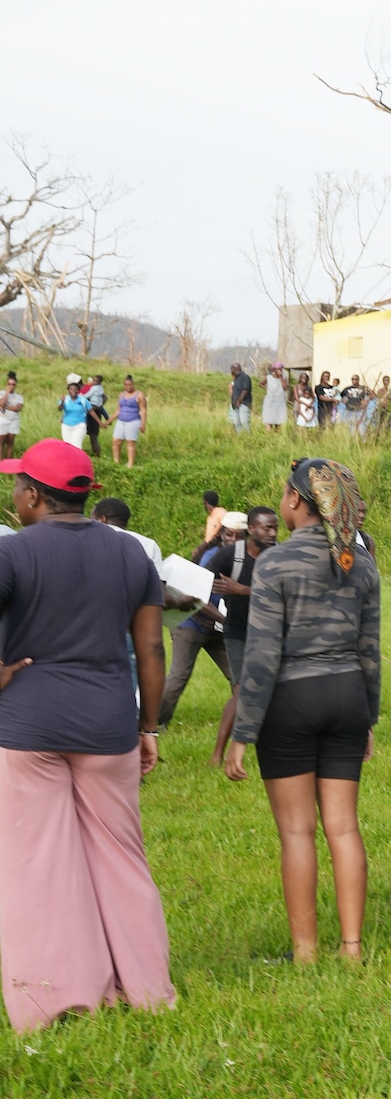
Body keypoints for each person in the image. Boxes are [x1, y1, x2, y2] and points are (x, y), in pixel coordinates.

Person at [0, 438, 175, 1034]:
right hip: (108, 723)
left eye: (16, 484)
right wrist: (147, 725)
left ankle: (55, 999)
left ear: (31, 497)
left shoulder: (13, 553)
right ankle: (148, 988)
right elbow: (151, 647)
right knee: (121, 856)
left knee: (37, 862)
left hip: (28, 724)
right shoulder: (131, 555)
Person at [221, 459, 381, 963]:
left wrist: (242, 732)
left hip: (291, 700)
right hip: (348, 696)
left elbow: (263, 656)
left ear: (294, 501)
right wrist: (367, 720)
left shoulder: (274, 563)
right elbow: (369, 651)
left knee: (296, 831)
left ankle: (306, 951)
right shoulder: (362, 563)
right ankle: (352, 948)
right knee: (344, 826)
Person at [210, 507, 280, 762]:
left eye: (275, 528)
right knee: (241, 692)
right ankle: (219, 754)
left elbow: (284, 594)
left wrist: (240, 590)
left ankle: (273, 748)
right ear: (251, 530)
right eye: (266, 528)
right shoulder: (231, 554)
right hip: (237, 632)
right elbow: (200, 581)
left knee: (274, 691)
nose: (272, 533)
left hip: (271, 633)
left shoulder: (279, 558)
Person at [160, 516, 234, 729]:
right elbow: (198, 599)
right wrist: (226, 621)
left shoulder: (239, 555)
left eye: (240, 535)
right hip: (190, 623)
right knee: (180, 675)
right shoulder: (212, 557)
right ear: (221, 534)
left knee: (238, 673)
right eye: (230, 534)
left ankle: (249, 719)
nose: (234, 539)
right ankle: (155, 723)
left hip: (216, 627)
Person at [110, 376, 146, 467]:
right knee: (116, 441)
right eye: (126, 385)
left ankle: (130, 463)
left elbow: (143, 410)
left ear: (133, 384)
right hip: (121, 420)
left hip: (133, 420)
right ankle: (116, 462)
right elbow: (118, 410)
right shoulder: (121, 394)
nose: (128, 386)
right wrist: (109, 420)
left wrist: (143, 423)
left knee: (130, 442)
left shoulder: (139, 394)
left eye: (130, 384)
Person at [58, 379, 91, 449]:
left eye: (75, 389)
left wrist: (100, 423)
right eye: (71, 389)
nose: (73, 391)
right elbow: (59, 409)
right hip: (66, 425)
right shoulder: (65, 399)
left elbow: (91, 411)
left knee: (76, 445)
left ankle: (79, 459)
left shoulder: (83, 400)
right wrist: (62, 401)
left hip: (79, 424)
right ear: (68, 390)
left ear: (78, 391)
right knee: (67, 445)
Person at [83, 375, 108, 457]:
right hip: (92, 408)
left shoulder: (94, 388)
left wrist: (80, 397)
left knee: (93, 437)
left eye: (95, 381)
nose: (94, 382)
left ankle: (96, 456)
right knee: (91, 437)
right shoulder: (98, 387)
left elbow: (104, 397)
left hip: (92, 408)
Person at [0, 372, 22, 460]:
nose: (11, 385)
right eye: (9, 384)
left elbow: (18, 408)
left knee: (10, 443)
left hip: (14, 421)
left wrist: (6, 407)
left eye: (13, 384)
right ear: (7, 384)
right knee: (1, 443)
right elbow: (1, 404)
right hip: (3, 419)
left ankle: (9, 464)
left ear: (16, 385)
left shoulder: (19, 397)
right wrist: (7, 393)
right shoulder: (2, 393)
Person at [228, 363, 254, 433]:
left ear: (234, 369)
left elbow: (245, 390)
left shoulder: (245, 377)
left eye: (231, 369)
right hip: (235, 404)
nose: (231, 371)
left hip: (243, 403)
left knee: (244, 421)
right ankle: (240, 437)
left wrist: (239, 400)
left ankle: (248, 438)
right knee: (237, 422)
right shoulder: (236, 379)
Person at [261, 365, 287, 432]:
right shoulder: (268, 377)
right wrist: (267, 389)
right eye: (278, 369)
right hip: (270, 402)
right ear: (274, 370)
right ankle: (268, 437)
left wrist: (281, 378)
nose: (280, 371)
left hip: (279, 402)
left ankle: (276, 436)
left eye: (281, 369)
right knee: (269, 421)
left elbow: (285, 388)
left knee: (278, 421)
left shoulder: (284, 378)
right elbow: (261, 384)